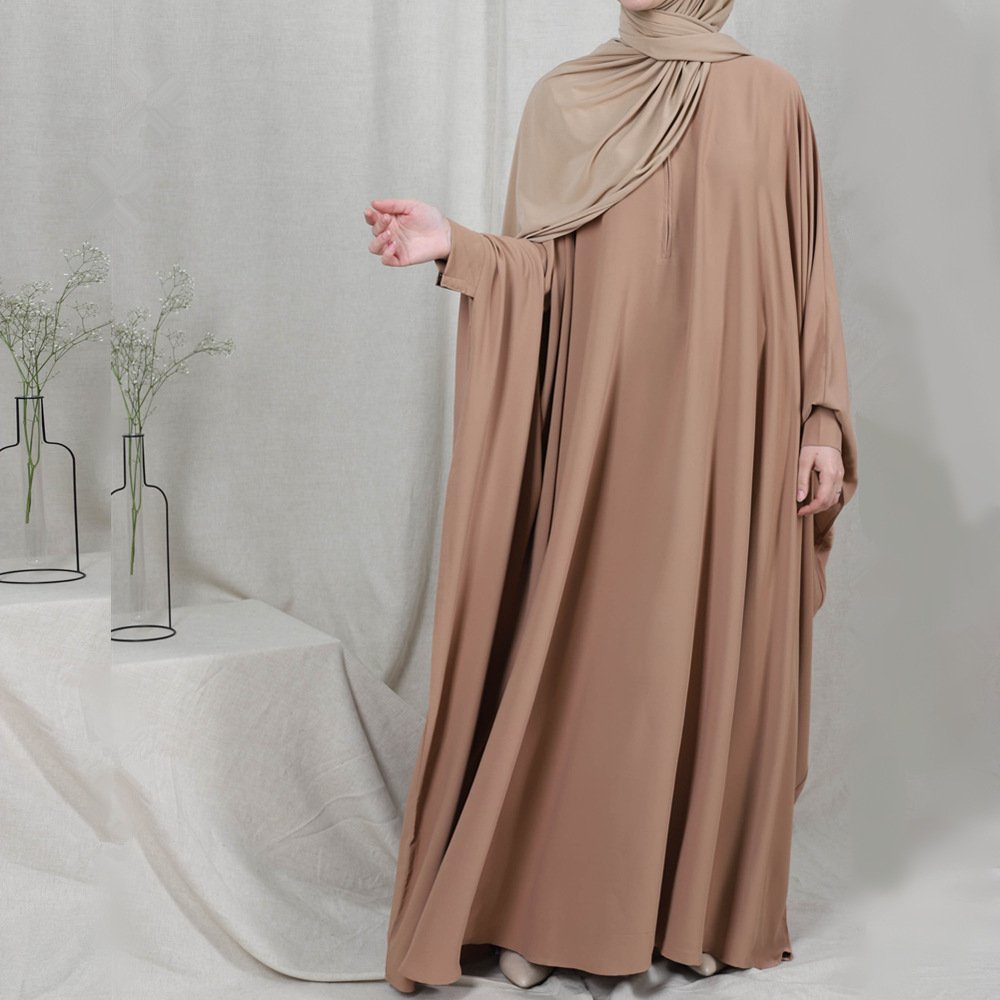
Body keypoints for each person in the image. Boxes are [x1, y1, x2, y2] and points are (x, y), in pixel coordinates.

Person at [365, 0, 858, 992]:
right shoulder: (567, 98)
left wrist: (820, 419)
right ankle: (542, 912)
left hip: (732, 440)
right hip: (603, 439)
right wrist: (455, 243)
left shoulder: (770, 99)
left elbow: (808, 272)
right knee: (588, 663)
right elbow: (543, 275)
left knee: (704, 653)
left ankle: (686, 912)